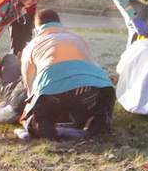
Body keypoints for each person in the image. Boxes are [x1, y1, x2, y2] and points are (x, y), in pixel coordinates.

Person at [19, 10, 115, 139]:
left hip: (52, 89)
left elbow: (29, 85)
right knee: (97, 108)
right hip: (97, 88)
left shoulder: (32, 45)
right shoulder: (77, 38)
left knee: (38, 120)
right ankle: (98, 123)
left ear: (36, 28)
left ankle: (46, 129)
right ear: (59, 24)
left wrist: (28, 111)